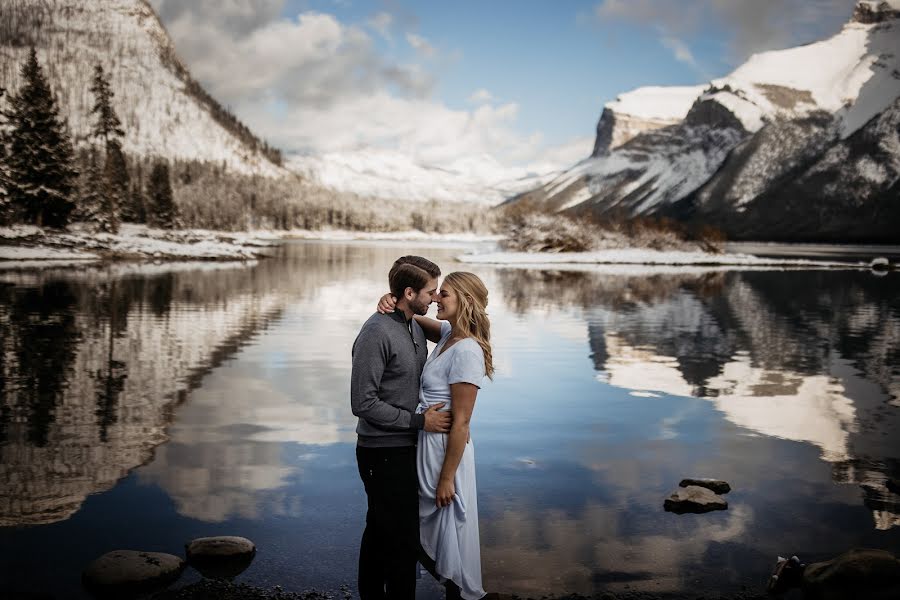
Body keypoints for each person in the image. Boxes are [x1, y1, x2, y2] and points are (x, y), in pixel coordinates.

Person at [378, 271, 494, 600]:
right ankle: (453, 590)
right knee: (426, 528)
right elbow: (409, 315)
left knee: (437, 530)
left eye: (444, 295)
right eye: (436, 293)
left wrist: (447, 479)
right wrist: (390, 300)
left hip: (445, 450)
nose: (435, 299)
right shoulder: (448, 335)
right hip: (427, 442)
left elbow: (461, 423)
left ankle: (459, 593)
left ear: (466, 303)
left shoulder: (467, 351)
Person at [351, 256, 453, 600]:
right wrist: (420, 421)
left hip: (406, 448)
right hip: (381, 451)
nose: (436, 297)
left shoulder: (413, 325)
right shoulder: (376, 332)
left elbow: (463, 331)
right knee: (400, 536)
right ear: (409, 293)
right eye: (431, 291)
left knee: (382, 529)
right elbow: (362, 403)